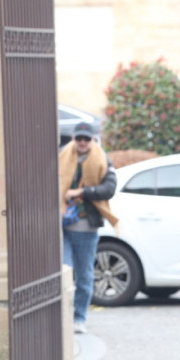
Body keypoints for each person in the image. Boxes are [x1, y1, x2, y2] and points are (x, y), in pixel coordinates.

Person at [59, 121, 117, 334]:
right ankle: (63, 317)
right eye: (78, 138)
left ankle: (79, 318)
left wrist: (81, 192)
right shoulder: (62, 156)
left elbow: (109, 188)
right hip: (63, 226)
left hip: (87, 229)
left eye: (86, 138)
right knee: (64, 272)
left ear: (92, 140)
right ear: (73, 139)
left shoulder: (102, 159)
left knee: (84, 276)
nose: (82, 142)